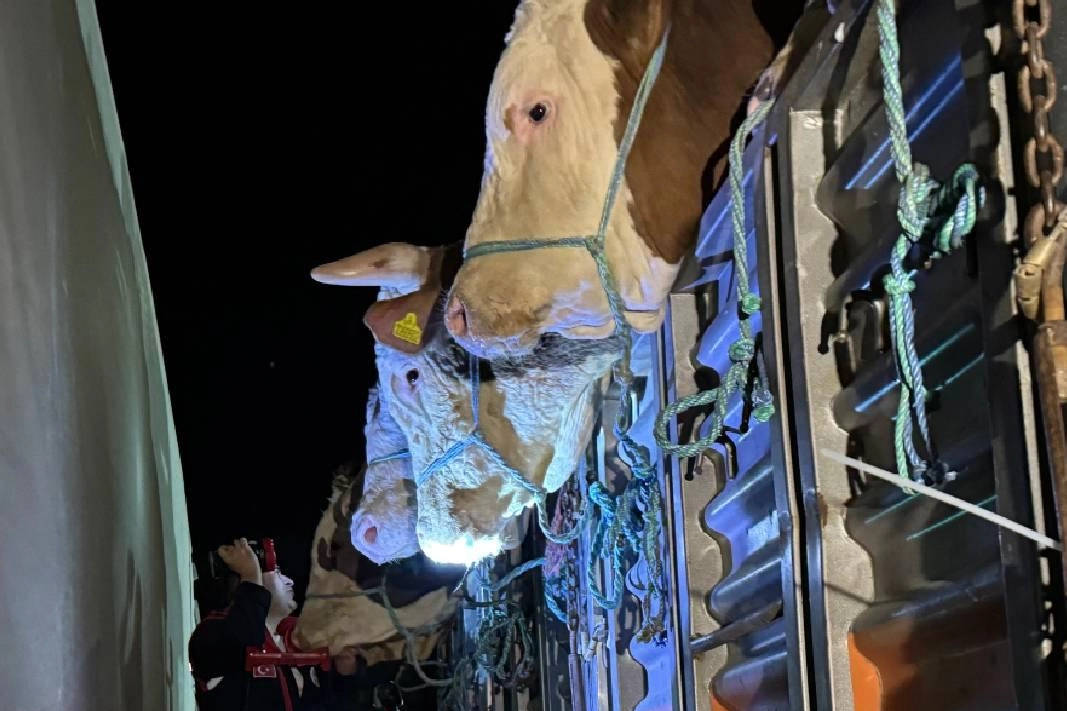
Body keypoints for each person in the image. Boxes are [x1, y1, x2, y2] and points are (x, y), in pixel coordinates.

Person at [188, 537, 355, 711]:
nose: (290, 581)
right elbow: (240, 639)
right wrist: (251, 578)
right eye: (278, 572)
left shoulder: (295, 658)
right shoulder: (212, 629)